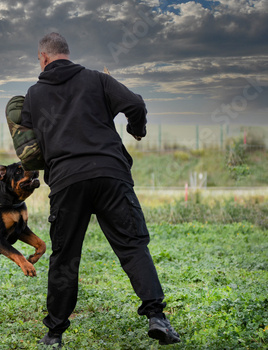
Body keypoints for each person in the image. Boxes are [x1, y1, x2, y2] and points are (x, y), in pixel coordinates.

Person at [20, 33, 181, 347]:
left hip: (67, 181)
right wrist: (137, 129)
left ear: (43, 58)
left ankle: (54, 334)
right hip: (111, 174)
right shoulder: (97, 80)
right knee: (132, 245)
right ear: (67, 54)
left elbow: (28, 148)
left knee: (65, 258)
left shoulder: (34, 94)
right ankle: (156, 317)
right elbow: (135, 103)